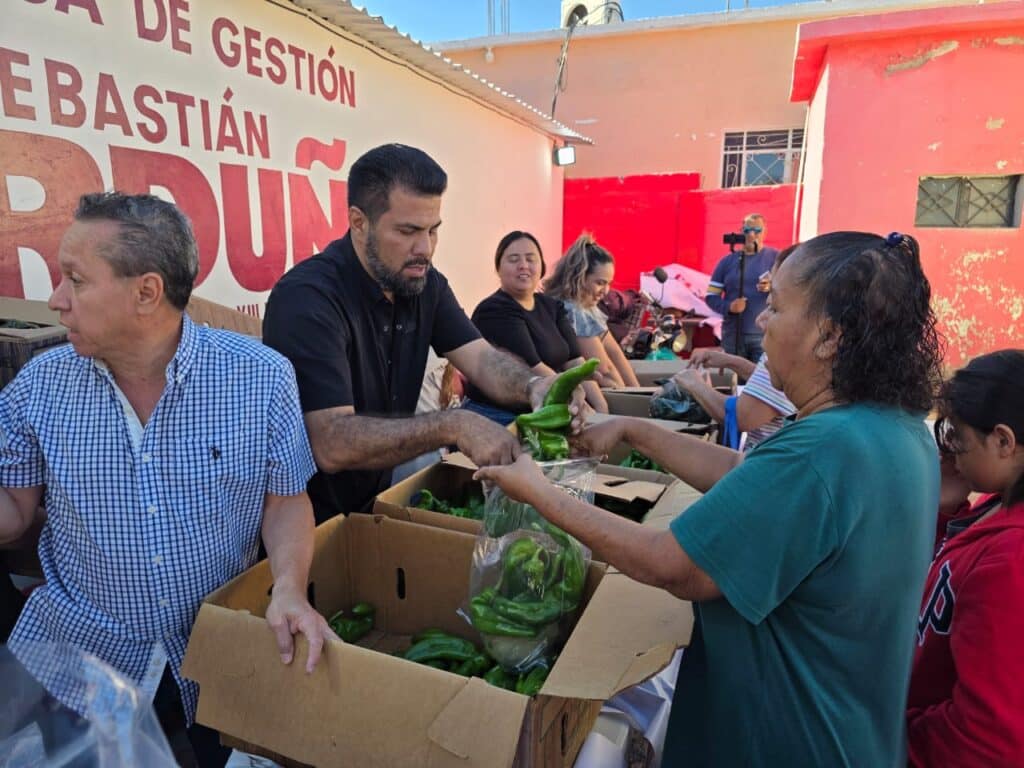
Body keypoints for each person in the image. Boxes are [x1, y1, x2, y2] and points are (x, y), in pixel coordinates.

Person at [476, 231, 944, 767]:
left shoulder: (821, 452)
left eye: (778, 306)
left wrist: (541, 493)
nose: (762, 321)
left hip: (789, 743)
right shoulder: (895, 429)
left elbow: (674, 565)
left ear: (830, 337)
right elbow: (744, 475)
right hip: (854, 731)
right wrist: (632, 428)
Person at [0, 192, 331, 768]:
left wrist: (289, 587)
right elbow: (15, 514)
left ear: (146, 292)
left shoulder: (260, 378)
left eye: (75, 280)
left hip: (219, 650)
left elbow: (285, 502)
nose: (56, 301)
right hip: (84, 660)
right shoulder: (40, 386)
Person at [263, 144, 585, 523]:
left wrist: (535, 387)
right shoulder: (308, 298)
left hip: (378, 503)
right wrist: (455, 424)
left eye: (433, 230)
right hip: (308, 524)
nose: (426, 249)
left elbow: (481, 358)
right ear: (358, 221)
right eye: (408, 231)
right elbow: (331, 442)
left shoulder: (422, 282)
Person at [907, 349, 1024, 767]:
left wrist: (895, 745)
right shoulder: (996, 505)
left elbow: (991, 735)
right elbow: (945, 586)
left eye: (958, 436)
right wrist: (945, 512)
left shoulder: (1010, 561)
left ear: (1003, 441)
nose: (950, 451)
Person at [463, 230, 608, 424]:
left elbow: (575, 362)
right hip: (500, 415)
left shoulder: (550, 305)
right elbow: (535, 367)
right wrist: (583, 411)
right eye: (513, 259)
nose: (523, 266)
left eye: (531, 259)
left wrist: (601, 410)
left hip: (546, 404)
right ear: (498, 268)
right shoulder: (494, 309)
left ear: (542, 266)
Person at [671, 245, 798, 451]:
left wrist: (695, 385)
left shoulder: (788, 353)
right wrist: (732, 361)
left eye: (775, 307)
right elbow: (773, 385)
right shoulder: (728, 262)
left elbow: (742, 416)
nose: (761, 319)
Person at [543, 233, 641, 389]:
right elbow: (604, 369)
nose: (606, 291)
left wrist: (638, 392)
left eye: (608, 283)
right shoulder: (573, 311)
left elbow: (615, 353)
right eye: (600, 283)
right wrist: (631, 400)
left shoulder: (587, 308)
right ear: (578, 277)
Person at [705, 213, 779, 363]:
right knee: (734, 379)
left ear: (765, 232)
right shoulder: (727, 262)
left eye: (757, 230)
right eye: (747, 230)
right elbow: (711, 297)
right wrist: (729, 307)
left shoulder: (776, 258)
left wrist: (773, 287)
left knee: (761, 380)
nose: (752, 235)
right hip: (733, 334)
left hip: (764, 333)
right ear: (741, 231)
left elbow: (792, 292)